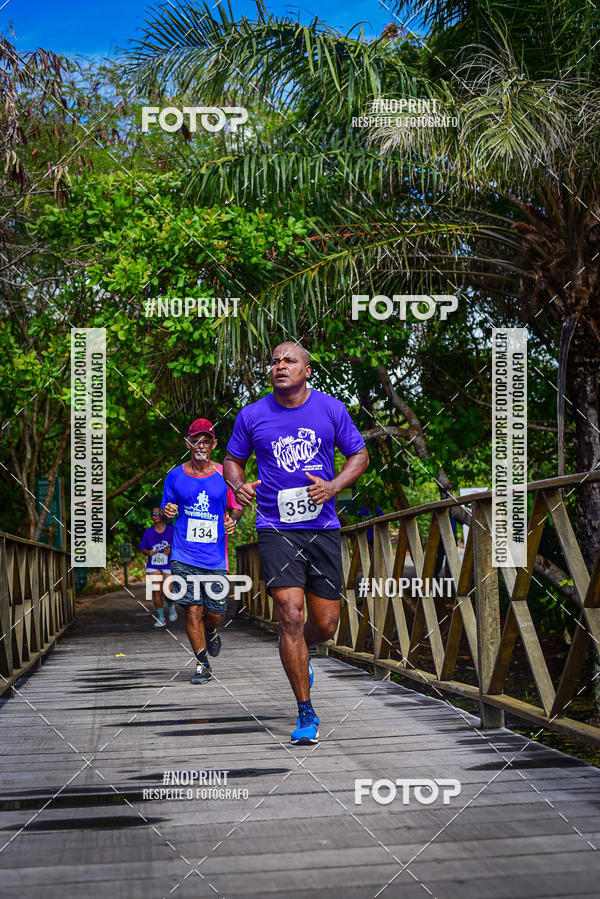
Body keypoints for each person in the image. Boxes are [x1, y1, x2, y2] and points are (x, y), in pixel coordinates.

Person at [224, 340, 369, 744]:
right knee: (289, 613)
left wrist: (334, 484)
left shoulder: (331, 409)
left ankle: (299, 652)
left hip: (321, 527)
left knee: (324, 624)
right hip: (275, 527)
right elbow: (232, 461)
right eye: (274, 361)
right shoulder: (252, 415)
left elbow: (359, 455)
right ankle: (306, 712)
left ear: (307, 370)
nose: (279, 366)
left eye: (289, 360)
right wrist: (238, 484)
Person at [160, 418, 242, 684]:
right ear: (188, 443)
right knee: (192, 609)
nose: (201, 445)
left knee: (216, 614)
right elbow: (165, 509)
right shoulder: (175, 475)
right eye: (196, 440)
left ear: (214, 444)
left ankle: (211, 630)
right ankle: (202, 664)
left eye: (206, 440)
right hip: (183, 555)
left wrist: (233, 520)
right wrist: (166, 511)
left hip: (215, 557)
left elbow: (236, 507)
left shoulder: (223, 475)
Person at [139, 507, 177, 628]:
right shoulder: (148, 532)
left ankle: (170, 605)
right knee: (156, 591)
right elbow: (143, 548)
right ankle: (161, 618)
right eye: (153, 514)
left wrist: (171, 550)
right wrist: (148, 552)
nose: (155, 515)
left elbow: (178, 546)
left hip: (167, 563)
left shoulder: (171, 531)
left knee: (168, 590)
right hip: (153, 564)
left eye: (157, 514)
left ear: (163, 516)